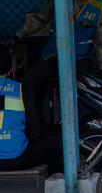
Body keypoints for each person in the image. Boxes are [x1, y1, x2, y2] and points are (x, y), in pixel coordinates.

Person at [8, 0, 102, 140]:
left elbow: (101, 43)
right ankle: (36, 131)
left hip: (79, 59)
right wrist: (17, 36)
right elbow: (39, 20)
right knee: (28, 84)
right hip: (52, 55)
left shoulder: (101, 7)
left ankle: (80, 135)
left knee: (82, 93)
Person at [0, 45, 63, 174]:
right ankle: (55, 188)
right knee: (58, 144)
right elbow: (35, 129)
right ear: (10, 66)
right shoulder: (21, 89)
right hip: (17, 157)